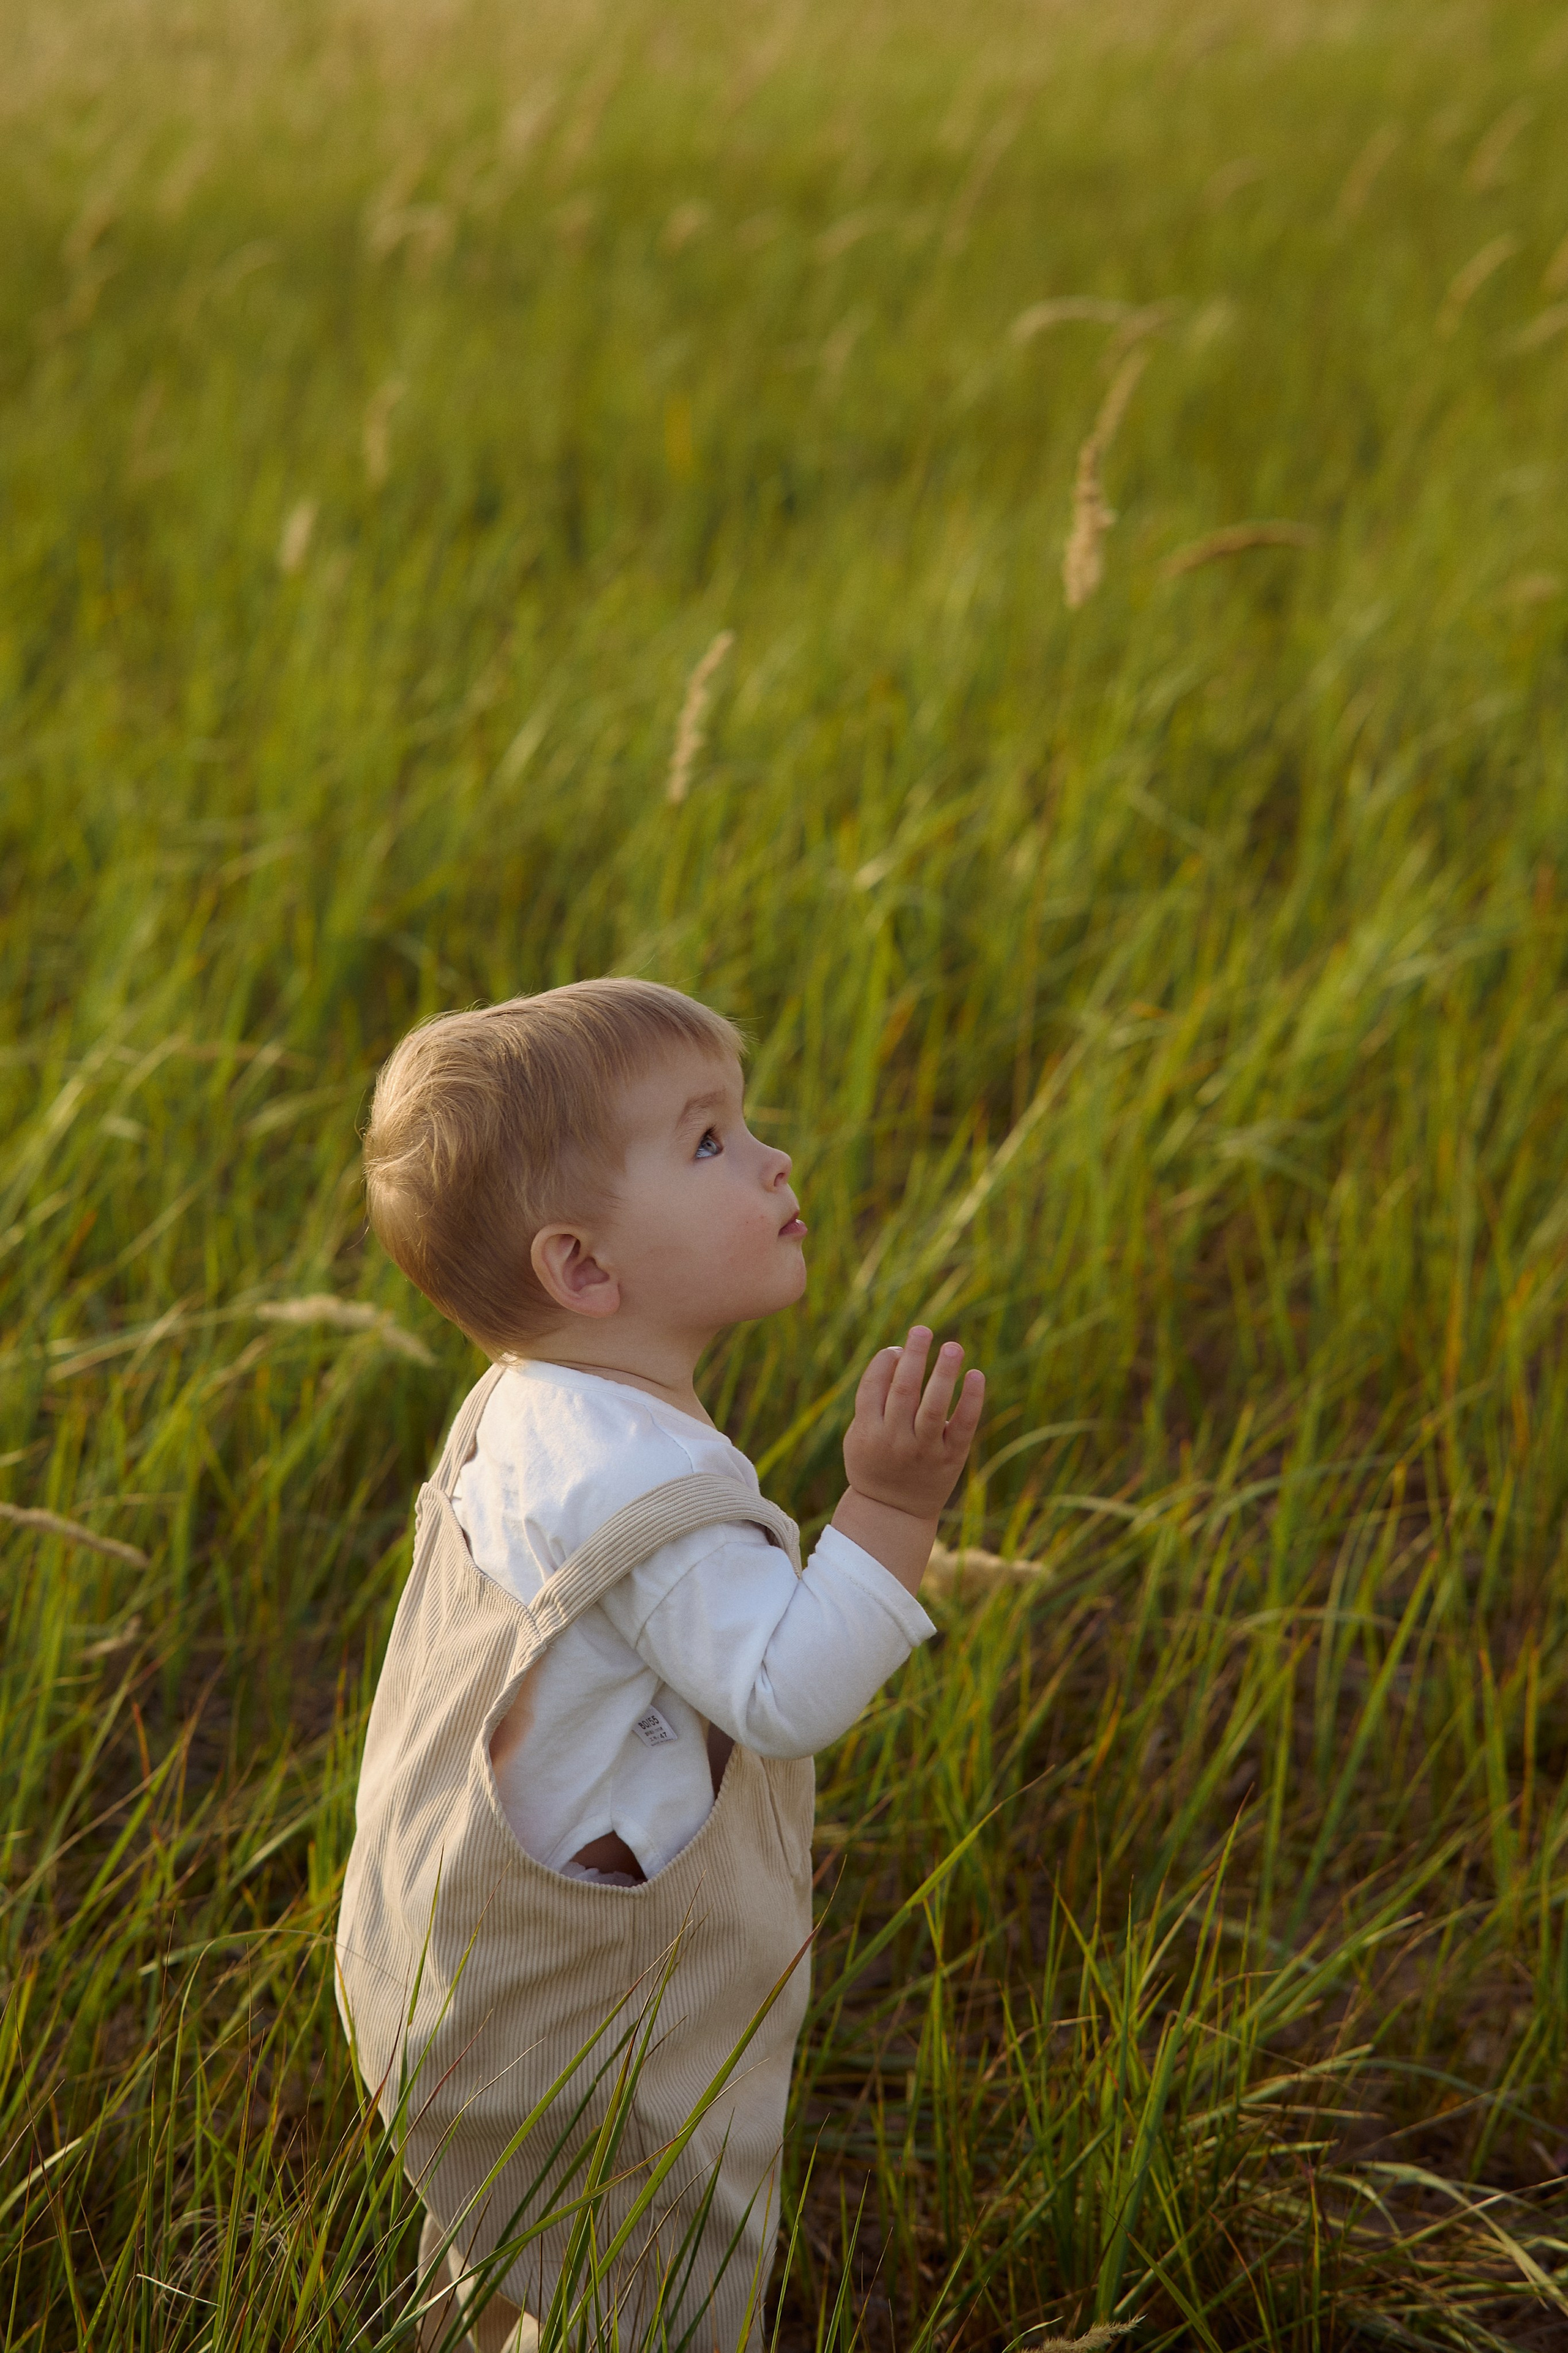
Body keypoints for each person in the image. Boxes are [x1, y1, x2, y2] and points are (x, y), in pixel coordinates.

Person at [334, 978, 984, 2352]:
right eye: (707, 1142)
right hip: (598, 2025)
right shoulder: (648, 1496)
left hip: (459, 1971)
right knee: (653, 2287)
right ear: (582, 1268)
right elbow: (788, 1692)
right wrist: (890, 1511)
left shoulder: (529, 1404)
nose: (773, 1158)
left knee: (527, 2252)